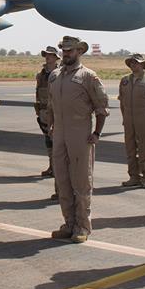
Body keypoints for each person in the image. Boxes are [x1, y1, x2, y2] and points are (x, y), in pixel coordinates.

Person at [47, 36, 109, 243]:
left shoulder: (88, 77)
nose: (66, 53)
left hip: (80, 135)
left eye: (70, 50)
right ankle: (69, 223)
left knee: (81, 182)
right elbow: (52, 104)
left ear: (79, 52)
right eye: (64, 50)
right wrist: (51, 124)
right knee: (62, 181)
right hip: (60, 135)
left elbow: (101, 107)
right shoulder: (54, 76)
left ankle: (82, 226)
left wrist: (97, 133)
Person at [118, 54, 145, 188]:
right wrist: (124, 117)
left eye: (136, 63)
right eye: (132, 63)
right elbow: (121, 101)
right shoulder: (125, 81)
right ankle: (133, 176)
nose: (134, 65)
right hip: (129, 119)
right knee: (130, 148)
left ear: (142, 64)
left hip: (144, 119)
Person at [35, 46, 60, 179]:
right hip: (44, 111)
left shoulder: (60, 73)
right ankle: (52, 166)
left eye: (50, 55)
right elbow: (38, 92)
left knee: (56, 141)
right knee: (48, 140)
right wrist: (39, 110)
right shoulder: (41, 74)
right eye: (46, 54)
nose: (47, 57)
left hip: (55, 112)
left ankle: (57, 167)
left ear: (56, 57)